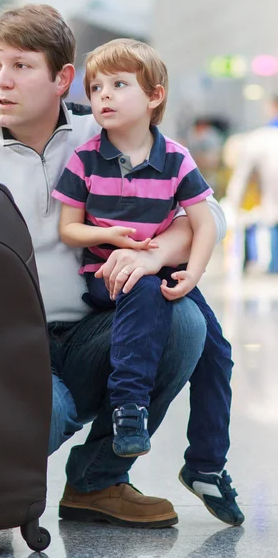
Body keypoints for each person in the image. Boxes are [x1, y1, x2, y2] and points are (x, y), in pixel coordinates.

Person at [0, 4, 226, 529]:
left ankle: (98, 483)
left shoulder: (102, 132)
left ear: (63, 78)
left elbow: (207, 211)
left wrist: (157, 253)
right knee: (42, 418)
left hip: (94, 330)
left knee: (182, 320)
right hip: (3, 341)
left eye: (21, 66)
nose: (1, 81)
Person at [53, 39, 243, 525]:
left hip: (164, 270)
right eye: (95, 87)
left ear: (154, 96)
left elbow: (204, 222)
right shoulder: (86, 158)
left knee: (216, 351)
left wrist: (192, 276)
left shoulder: (176, 158)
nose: (104, 97)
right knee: (140, 290)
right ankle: (129, 408)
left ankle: (205, 465)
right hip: (109, 275)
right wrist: (108, 235)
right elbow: (68, 227)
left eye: (119, 85)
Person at [226, 95, 278, 273]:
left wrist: (233, 203)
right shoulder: (261, 138)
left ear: (272, 107)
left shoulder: (259, 138)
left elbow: (241, 177)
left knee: (272, 221)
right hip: (270, 198)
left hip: (271, 199)